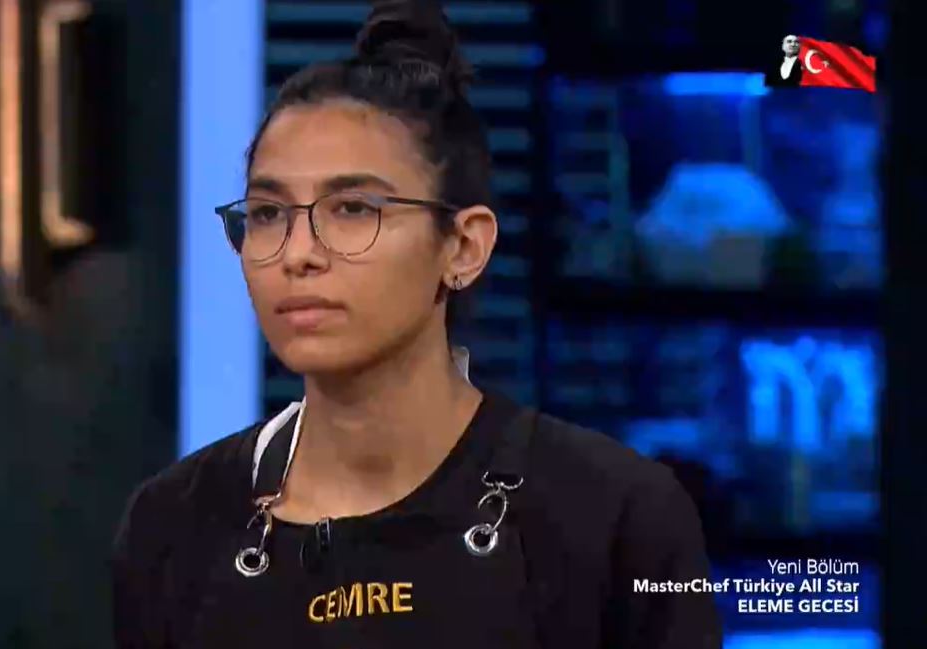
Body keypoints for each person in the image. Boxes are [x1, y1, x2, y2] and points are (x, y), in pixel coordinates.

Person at [111, 1, 722, 647]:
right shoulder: (173, 526)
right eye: (267, 214)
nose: (298, 253)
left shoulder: (615, 515)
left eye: (352, 208)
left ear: (463, 247)